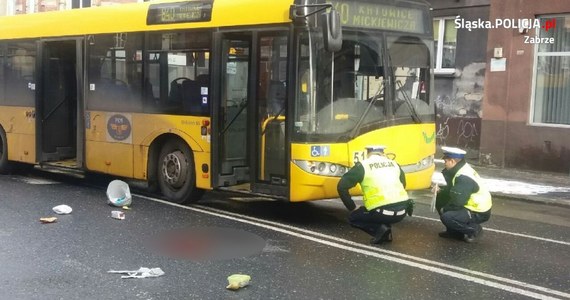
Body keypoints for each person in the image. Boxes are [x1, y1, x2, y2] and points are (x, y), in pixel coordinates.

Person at [337, 145, 413, 244]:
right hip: (403, 211)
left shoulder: (363, 166)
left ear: (368, 153)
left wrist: (352, 207)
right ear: (382, 153)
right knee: (385, 208)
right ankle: (387, 233)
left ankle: (379, 230)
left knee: (354, 218)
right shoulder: (394, 164)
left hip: (382, 212)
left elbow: (341, 187)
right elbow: (403, 184)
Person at [434, 146, 492, 243]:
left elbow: (458, 201)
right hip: (469, 204)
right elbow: (455, 190)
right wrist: (441, 190)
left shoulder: (463, 177)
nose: (444, 164)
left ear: (452, 161)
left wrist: (445, 209)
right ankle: (453, 232)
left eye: (446, 161)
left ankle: (473, 230)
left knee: (447, 217)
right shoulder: (460, 169)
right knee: (441, 198)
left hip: (477, 211)